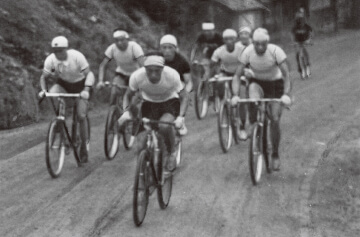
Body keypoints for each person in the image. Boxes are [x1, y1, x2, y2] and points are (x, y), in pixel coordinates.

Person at [232, 28, 292, 170]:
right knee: (252, 97)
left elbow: (287, 77)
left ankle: (275, 154)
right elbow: (236, 76)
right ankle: (253, 124)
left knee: (275, 119)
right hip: (257, 83)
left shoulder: (276, 51)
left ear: (267, 42)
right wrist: (235, 94)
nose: (259, 47)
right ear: (253, 43)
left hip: (275, 85)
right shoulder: (247, 52)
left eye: (262, 44)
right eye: (256, 44)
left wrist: (285, 94)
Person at [120, 53, 189, 172]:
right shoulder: (137, 76)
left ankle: (172, 152)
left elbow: (185, 97)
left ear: (162, 69)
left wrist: (180, 117)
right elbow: (127, 95)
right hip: (149, 104)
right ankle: (143, 176)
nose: (153, 74)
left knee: (164, 126)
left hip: (170, 103)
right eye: (149, 71)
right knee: (141, 144)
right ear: (144, 69)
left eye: (157, 71)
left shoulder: (172, 74)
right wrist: (126, 112)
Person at [39, 36, 95, 162]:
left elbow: (89, 74)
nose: (58, 53)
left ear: (66, 49)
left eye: (60, 50)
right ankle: (60, 125)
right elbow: (44, 77)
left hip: (81, 85)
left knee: (81, 116)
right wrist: (43, 90)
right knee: (52, 94)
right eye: (55, 51)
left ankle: (84, 148)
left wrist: (86, 90)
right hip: (63, 84)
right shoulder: (51, 60)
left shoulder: (76, 56)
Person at [211, 29, 248, 140]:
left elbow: (249, 62)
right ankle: (224, 103)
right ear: (223, 40)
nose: (229, 41)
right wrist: (213, 75)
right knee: (219, 81)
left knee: (241, 100)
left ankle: (242, 126)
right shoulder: (219, 51)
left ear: (235, 39)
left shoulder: (242, 49)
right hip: (226, 73)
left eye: (231, 39)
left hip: (240, 74)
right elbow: (212, 64)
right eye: (226, 39)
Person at [96, 29, 144, 106]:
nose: (119, 43)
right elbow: (102, 65)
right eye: (116, 41)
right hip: (121, 74)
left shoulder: (134, 47)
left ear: (127, 39)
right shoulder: (112, 48)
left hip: (135, 75)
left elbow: (143, 66)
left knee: (134, 99)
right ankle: (113, 112)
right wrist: (100, 81)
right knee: (114, 92)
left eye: (122, 40)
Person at [159, 34, 193, 135]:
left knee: (181, 97)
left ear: (175, 49)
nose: (167, 51)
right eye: (164, 48)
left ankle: (180, 119)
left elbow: (189, 81)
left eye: (170, 47)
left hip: (178, 85)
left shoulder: (182, 62)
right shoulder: (156, 58)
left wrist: (187, 91)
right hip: (162, 84)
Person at [292, 11, 313, 79]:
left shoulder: (306, 26)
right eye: (298, 19)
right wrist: (294, 42)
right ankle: (300, 69)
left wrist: (309, 39)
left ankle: (307, 67)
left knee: (306, 54)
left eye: (300, 19)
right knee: (297, 55)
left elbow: (311, 32)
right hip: (298, 42)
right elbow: (292, 35)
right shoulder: (295, 27)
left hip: (304, 42)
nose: (299, 21)